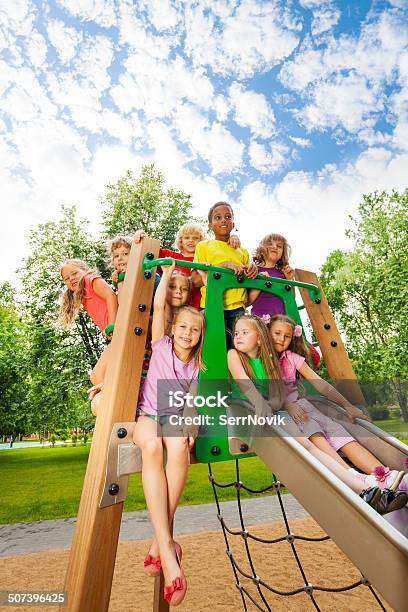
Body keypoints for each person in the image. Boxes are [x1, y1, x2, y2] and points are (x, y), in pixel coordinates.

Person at [227, 314, 407, 515]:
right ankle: (362, 485)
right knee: (309, 445)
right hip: (258, 415)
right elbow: (244, 382)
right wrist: (262, 405)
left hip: (277, 413)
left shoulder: (269, 361)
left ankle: (368, 486)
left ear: (259, 338)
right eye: (236, 333)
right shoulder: (234, 355)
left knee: (310, 446)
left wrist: (270, 405)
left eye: (244, 332)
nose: (238, 336)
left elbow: (278, 397)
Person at [133, 260, 205, 606]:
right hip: (148, 415)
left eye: (195, 330)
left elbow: (192, 402)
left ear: (200, 335)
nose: (188, 334)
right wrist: (165, 274)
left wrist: (191, 423)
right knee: (152, 449)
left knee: (178, 448)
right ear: (173, 328)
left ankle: (159, 543)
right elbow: (160, 305)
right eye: (184, 327)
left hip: (175, 418)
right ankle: (168, 550)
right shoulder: (159, 345)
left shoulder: (197, 364)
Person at [269, 314, 405, 490]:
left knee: (340, 434)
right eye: (277, 333)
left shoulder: (292, 358)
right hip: (288, 413)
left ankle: (382, 475)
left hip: (304, 406)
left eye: (286, 336)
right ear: (267, 333)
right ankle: (353, 476)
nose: (281, 339)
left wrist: (348, 406)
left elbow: (322, 385)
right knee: (314, 433)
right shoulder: (262, 361)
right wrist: (287, 405)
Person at [249, 233, 320, 368]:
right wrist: (260, 283)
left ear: (283, 253)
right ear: (262, 248)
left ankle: (292, 381)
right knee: (268, 357)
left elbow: (290, 298)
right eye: (271, 244)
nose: (275, 247)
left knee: (313, 356)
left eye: (279, 246)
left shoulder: (282, 273)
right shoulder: (254, 270)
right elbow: (247, 301)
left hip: (282, 324)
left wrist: (289, 280)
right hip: (263, 323)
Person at [193, 201, 257, 347]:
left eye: (228, 217)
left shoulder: (243, 251)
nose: (223, 220)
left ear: (233, 224)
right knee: (214, 347)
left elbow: (247, 277)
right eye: (218, 217)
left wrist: (253, 269)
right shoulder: (204, 246)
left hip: (238, 309)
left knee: (239, 349)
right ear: (210, 225)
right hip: (212, 305)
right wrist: (225, 266)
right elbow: (200, 274)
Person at [59, 259, 118, 406]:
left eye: (74, 273)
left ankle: (115, 402)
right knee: (97, 376)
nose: (71, 278)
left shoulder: (89, 280)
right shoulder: (83, 294)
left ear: (84, 270)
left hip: (120, 330)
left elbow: (111, 295)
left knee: (98, 376)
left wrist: (113, 324)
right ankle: (112, 401)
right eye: (67, 278)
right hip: (116, 336)